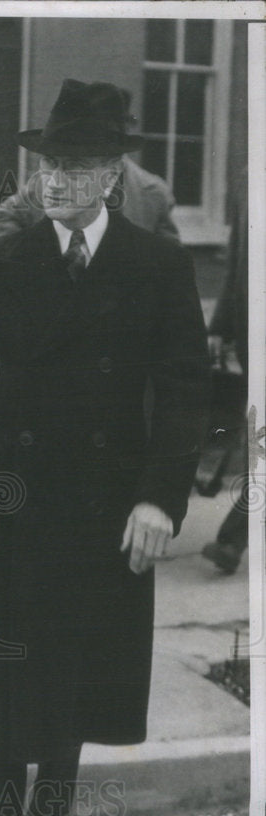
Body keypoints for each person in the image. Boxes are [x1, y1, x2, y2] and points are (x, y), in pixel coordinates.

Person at [0, 79, 209, 816]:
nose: (56, 181)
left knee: (71, 688)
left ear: (113, 175)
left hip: (109, 510)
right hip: (13, 502)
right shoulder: (7, 259)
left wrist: (161, 499)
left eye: (77, 166)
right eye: (48, 166)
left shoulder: (157, 266)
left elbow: (187, 391)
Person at [0, 89, 178, 242]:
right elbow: (5, 217)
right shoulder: (47, 183)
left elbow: (169, 263)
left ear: (127, 128)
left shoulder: (154, 192)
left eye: (114, 126)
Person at [201, 168, 249, 573]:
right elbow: (237, 258)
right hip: (255, 331)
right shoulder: (250, 174)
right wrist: (220, 325)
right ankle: (217, 467)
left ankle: (234, 539)